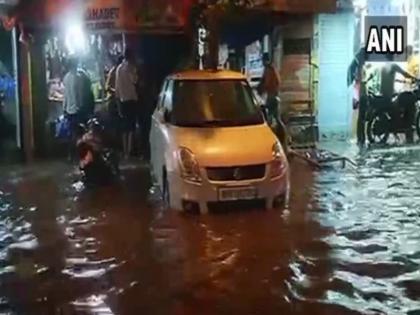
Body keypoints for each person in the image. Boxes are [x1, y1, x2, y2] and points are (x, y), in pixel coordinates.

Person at [381, 53, 417, 142]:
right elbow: (404, 73)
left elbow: (388, 79)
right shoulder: (393, 65)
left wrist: (399, 81)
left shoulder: (383, 66)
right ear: (392, 57)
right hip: (389, 94)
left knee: (399, 97)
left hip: (383, 93)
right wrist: (415, 78)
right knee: (407, 101)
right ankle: (406, 125)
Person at [115, 48, 138, 159]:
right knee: (131, 127)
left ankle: (125, 151)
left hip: (123, 101)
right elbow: (135, 80)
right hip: (132, 100)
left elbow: (117, 88)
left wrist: (118, 102)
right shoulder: (131, 67)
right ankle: (129, 151)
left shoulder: (119, 69)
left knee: (125, 128)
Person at [348, 47, 371, 146]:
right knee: (362, 116)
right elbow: (360, 81)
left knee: (361, 117)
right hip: (361, 93)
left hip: (360, 93)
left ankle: (361, 137)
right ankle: (360, 138)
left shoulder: (358, 65)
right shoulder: (359, 66)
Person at [63, 57, 83, 161]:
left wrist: (64, 108)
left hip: (69, 110)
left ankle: (70, 155)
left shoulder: (66, 77)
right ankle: (77, 154)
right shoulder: (78, 77)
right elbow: (79, 95)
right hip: (77, 109)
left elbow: (65, 95)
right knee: (78, 133)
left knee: (70, 133)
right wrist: (80, 106)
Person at [258, 53, 281, 122]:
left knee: (270, 116)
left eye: (263, 60)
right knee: (275, 117)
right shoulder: (272, 68)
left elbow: (266, 82)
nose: (262, 62)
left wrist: (261, 89)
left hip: (272, 95)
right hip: (273, 94)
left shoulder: (269, 69)